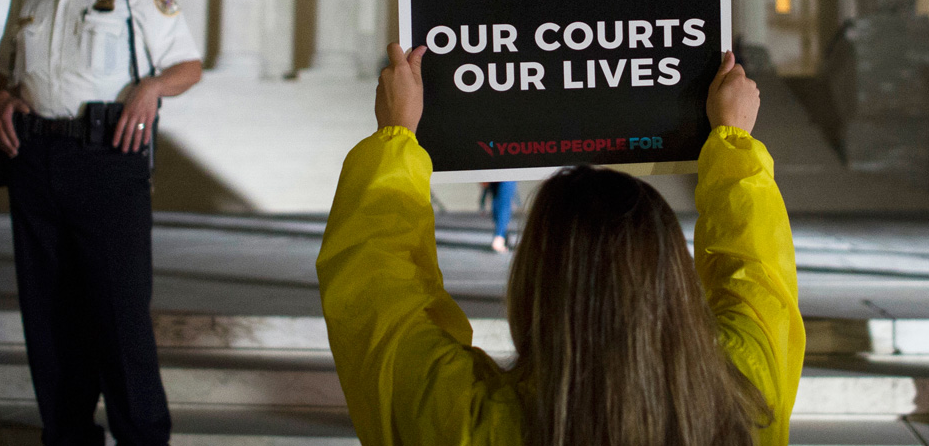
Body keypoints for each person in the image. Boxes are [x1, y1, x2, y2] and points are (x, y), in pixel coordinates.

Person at [316, 44, 803, 446]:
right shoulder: (747, 398)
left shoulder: (466, 420)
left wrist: (396, 135)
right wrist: (733, 140)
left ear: (533, 284)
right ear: (673, 278)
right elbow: (758, 272)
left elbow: (376, 290)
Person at [0, 0, 203, 446]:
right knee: (48, 317)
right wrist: (3, 102)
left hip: (107, 159)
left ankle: (141, 437)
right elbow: (4, 76)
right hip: (34, 160)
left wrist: (152, 87)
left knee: (119, 312)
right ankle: (67, 434)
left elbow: (187, 64)